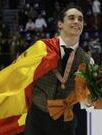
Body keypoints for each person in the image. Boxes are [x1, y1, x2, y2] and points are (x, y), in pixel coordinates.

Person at [24, 5, 90, 135]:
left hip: (64, 120)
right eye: (71, 18)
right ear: (60, 24)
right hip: (37, 117)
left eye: (80, 19)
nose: (77, 21)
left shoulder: (87, 60)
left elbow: (84, 95)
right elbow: (23, 75)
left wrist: (92, 97)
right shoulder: (41, 48)